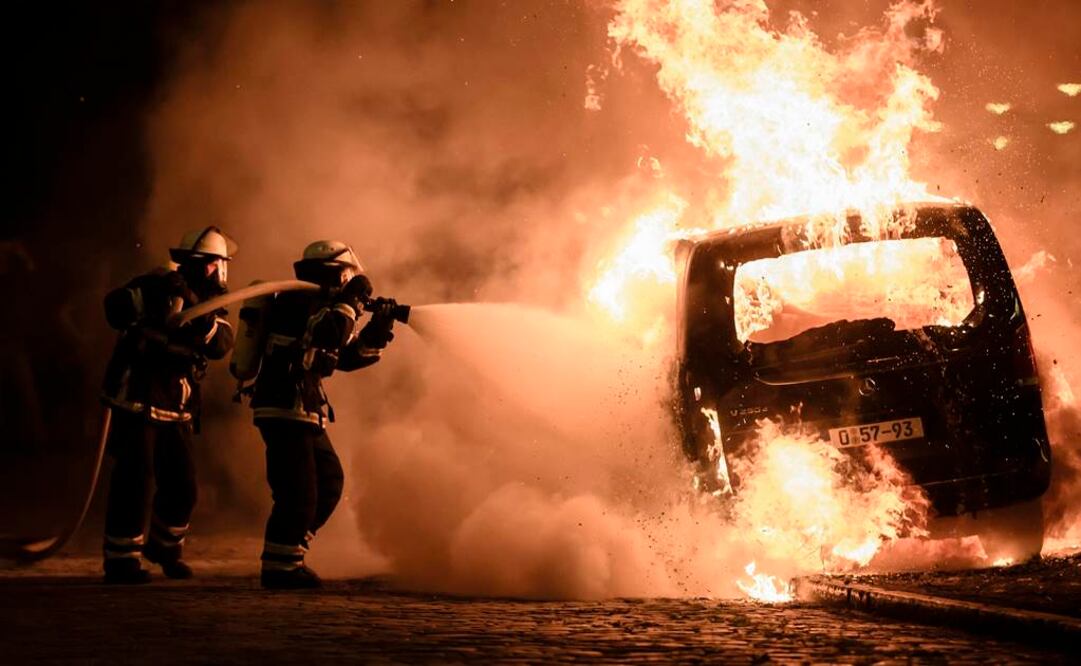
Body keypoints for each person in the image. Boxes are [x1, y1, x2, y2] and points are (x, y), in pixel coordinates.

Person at [248, 240, 398, 589]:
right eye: (350, 278)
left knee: (329, 482)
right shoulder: (295, 301)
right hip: (284, 407)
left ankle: (290, 550)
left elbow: (343, 357)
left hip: (305, 408)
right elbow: (327, 332)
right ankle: (279, 569)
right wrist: (351, 301)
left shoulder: (325, 307)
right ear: (339, 273)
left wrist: (377, 329)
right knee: (298, 492)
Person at [100, 227, 236, 584]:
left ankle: (164, 547)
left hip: (177, 406)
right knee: (136, 480)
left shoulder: (209, 303)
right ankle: (121, 559)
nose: (223, 272)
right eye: (221, 264)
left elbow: (221, 344)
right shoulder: (158, 284)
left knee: (183, 485)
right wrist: (154, 293)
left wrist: (195, 306)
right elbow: (115, 309)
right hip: (139, 400)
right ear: (208, 265)